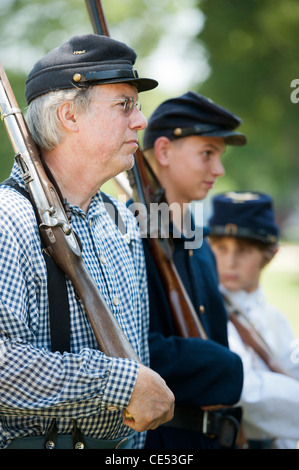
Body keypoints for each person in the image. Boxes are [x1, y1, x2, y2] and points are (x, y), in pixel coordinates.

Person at [0, 33, 174, 450]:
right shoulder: (8, 219)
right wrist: (117, 383)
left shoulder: (121, 220)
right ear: (69, 116)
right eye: (124, 105)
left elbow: (141, 368)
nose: (141, 121)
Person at [139, 91, 245, 449]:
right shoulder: (127, 232)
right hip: (161, 442)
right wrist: (226, 368)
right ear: (165, 151)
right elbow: (134, 350)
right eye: (207, 154)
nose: (219, 170)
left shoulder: (199, 243)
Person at [208, 191, 299, 449]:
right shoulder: (207, 310)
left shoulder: (276, 319)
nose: (229, 261)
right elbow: (244, 392)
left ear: (270, 254)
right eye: (220, 247)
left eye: (244, 250)